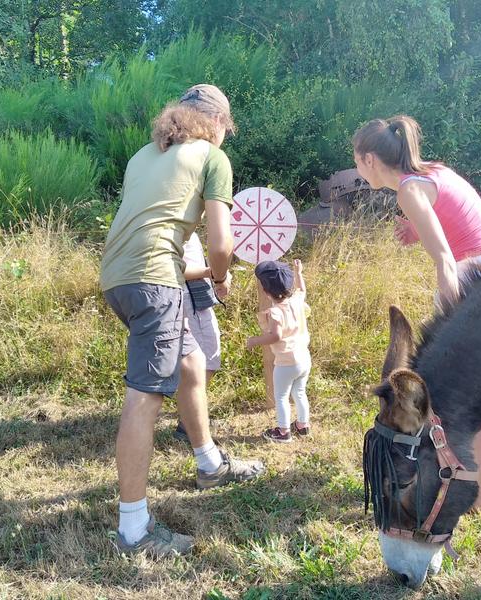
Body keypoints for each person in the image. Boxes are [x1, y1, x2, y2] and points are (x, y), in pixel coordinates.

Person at [100, 84, 265, 559]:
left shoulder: (142, 156)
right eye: (225, 130)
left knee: (190, 362)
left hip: (117, 276)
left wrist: (205, 271)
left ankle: (209, 464)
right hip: (155, 282)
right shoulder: (213, 157)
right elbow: (220, 243)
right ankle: (134, 530)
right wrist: (221, 277)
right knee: (146, 396)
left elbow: (152, 227)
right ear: (218, 124)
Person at [352, 115, 481, 514]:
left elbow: (444, 258)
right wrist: (416, 231)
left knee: (465, 393)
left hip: (475, 280)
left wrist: (451, 323)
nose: (356, 168)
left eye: (355, 160)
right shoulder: (431, 173)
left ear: (369, 159)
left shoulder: (407, 190)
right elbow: (456, 220)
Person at [247, 259, 312, 443]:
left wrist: (255, 341)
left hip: (285, 362)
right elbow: (303, 290)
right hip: (303, 359)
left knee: (281, 395)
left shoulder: (276, 312)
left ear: (266, 292)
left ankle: (283, 432)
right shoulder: (297, 300)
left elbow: (275, 336)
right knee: (299, 392)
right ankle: (303, 425)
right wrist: (299, 272)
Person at [172, 232, 224, 442]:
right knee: (207, 358)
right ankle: (188, 422)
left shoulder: (183, 227)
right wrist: (212, 273)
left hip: (191, 297)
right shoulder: (177, 229)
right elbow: (174, 269)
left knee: (193, 359)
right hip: (190, 300)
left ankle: (189, 415)